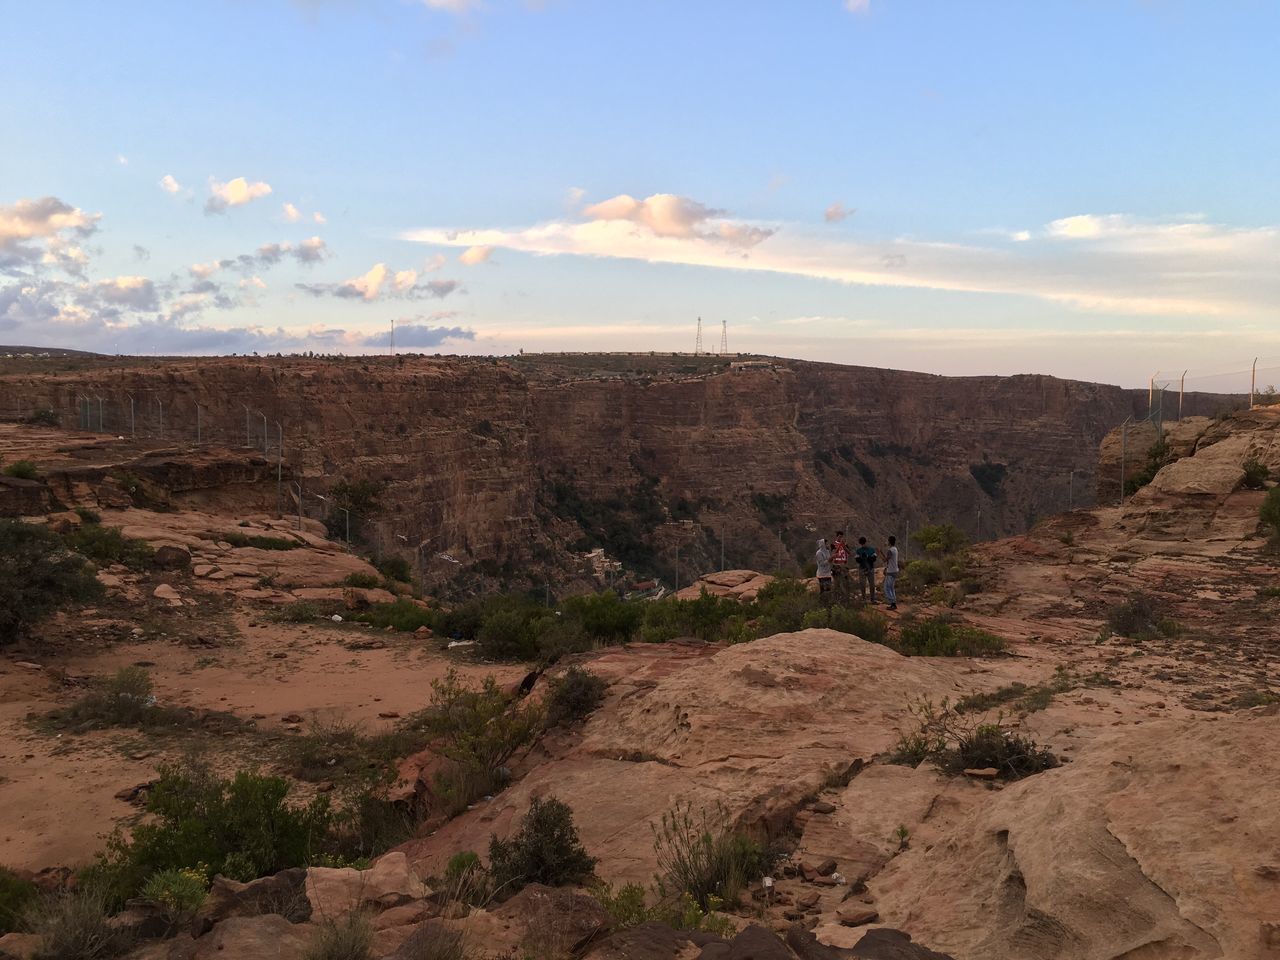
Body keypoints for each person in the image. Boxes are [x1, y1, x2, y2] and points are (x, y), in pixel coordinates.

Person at [854, 536, 877, 602]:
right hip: (867, 568)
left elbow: (858, 560)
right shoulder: (871, 550)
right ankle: (871, 599)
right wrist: (865, 558)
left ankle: (866, 599)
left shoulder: (860, 551)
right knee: (868, 584)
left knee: (865, 584)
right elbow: (874, 558)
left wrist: (866, 557)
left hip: (865, 568)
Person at [881, 535, 899, 610]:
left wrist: (879, 553)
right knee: (891, 588)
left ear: (889, 542)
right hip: (895, 570)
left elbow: (885, 560)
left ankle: (893, 603)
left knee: (887, 588)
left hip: (891, 571)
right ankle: (893, 602)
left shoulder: (890, 550)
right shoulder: (895, 549)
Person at [830, 531, 849, 599]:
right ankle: (835, 597)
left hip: (843, 565)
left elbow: (848, 552)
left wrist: (844, 546)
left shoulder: (844, 544)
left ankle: (845, 597)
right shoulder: (833, 544)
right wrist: (839, 545)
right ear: (837, 536)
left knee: (845, 583)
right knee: (837, 583)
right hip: (836, 565)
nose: (841, 538)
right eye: (839, 537)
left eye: (841, 537)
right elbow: (833, 553)